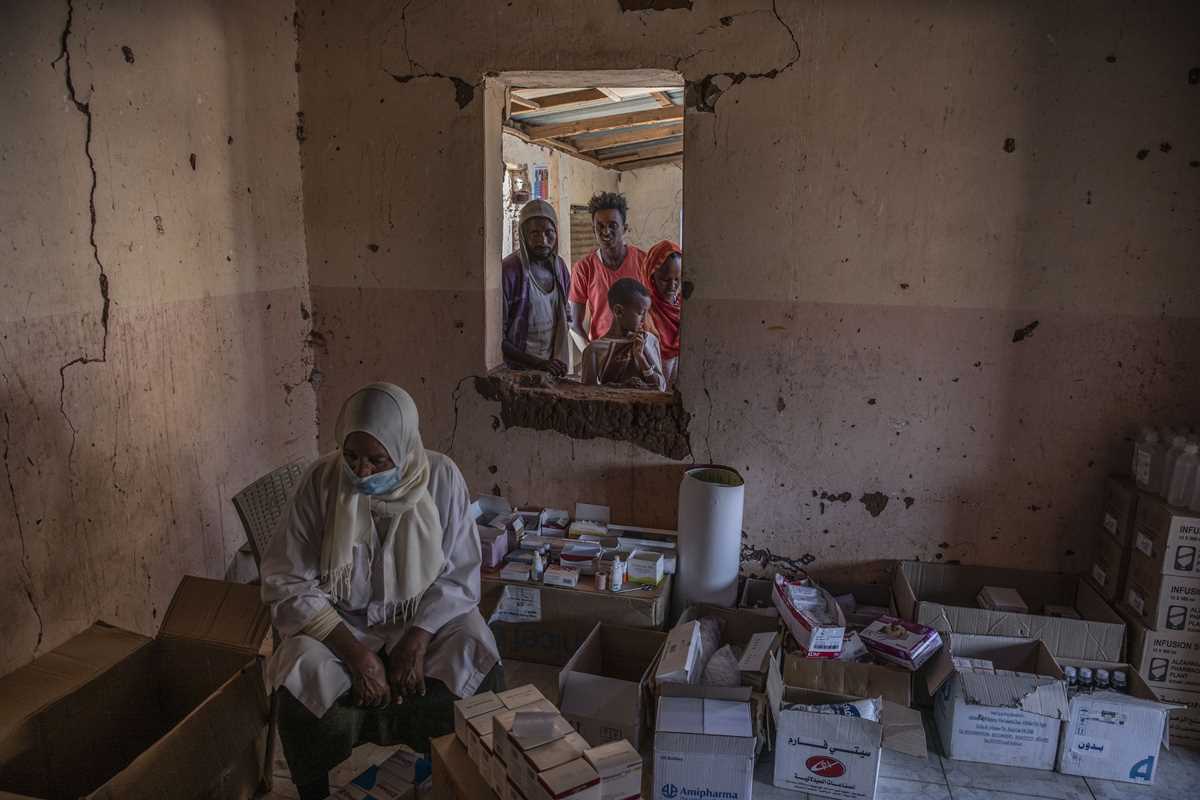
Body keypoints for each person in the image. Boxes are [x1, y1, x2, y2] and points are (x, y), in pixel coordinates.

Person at [261, 383, 501, 800]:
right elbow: (288, 581)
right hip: (342, 625)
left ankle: (457, 777)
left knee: (477, 656)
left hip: (420, 618)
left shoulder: (442, 478)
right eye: (352, 456)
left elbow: (460, 576)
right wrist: (358, 656)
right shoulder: (321, 481)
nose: (362, 472)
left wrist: (418, 638)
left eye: (377, 459)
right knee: (300, 677)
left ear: (404, 449)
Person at [501, 199, 572, 376]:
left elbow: (565, 318)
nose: (543, 240)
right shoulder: (509, 272)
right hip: (517, 372)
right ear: (523, 235)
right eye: (534, 233)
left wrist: (552, 363)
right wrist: (538, 364)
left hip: (551, 368)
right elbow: (497, 338)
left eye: (549, 233)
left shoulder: (560, 269)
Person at [569, 192, 646, 347]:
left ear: (624, 228)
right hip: (602, 350)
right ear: (593, 230)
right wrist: (590, 354)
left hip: (639, 349)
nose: (606, 232)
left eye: (613, 226)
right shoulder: (584, 268)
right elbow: (574, 324)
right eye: (600, 226)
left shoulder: (643, 262)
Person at [580, 278, 667, 391]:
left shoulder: (648, 340)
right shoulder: (593, 350)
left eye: (647, 313)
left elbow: (661, 388)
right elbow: (587, 393)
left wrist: (641, 358)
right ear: (618, 311)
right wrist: (619, 387)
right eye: (641, 313)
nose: (645, 319)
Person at [642, 240, 682, 387]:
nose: (672, 286)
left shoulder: (686, 309)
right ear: (651, 277)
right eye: (665, 280)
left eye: (677, 279)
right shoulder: (644, 313)